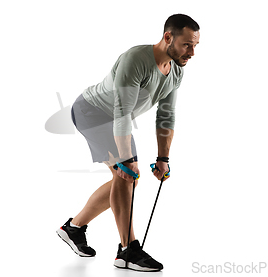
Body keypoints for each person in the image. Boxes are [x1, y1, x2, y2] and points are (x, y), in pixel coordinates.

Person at [56, 14, 200, 272]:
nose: (191, 52)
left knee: (123, 177)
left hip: (114, 119)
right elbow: (121, 111)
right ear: (168, 37)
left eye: (195, 46)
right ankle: (127, 250)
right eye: (186, 44)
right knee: (126, 175)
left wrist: (163, 159)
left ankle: (73, 228)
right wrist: (125, 159)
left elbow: (166, 116)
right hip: (92, 113)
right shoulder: (136, 60)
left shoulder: (175, 71)